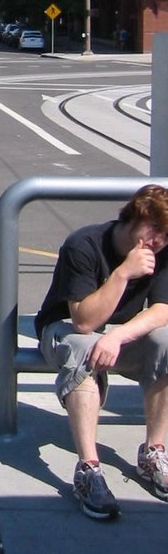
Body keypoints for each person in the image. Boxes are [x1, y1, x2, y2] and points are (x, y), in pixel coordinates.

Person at [35, 184, 168, 520]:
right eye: (155, 229)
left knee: (166, 342)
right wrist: (123, 272)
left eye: (166, 235)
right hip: (65, 330)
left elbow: (164, 309)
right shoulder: (84, 244)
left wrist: (119, 336)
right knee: (85, 347)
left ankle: (154, 451)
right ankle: (89, 468)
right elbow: (83, 320)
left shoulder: (165, 251)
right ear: (134, 217)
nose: (158, 241)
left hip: (118, 335)